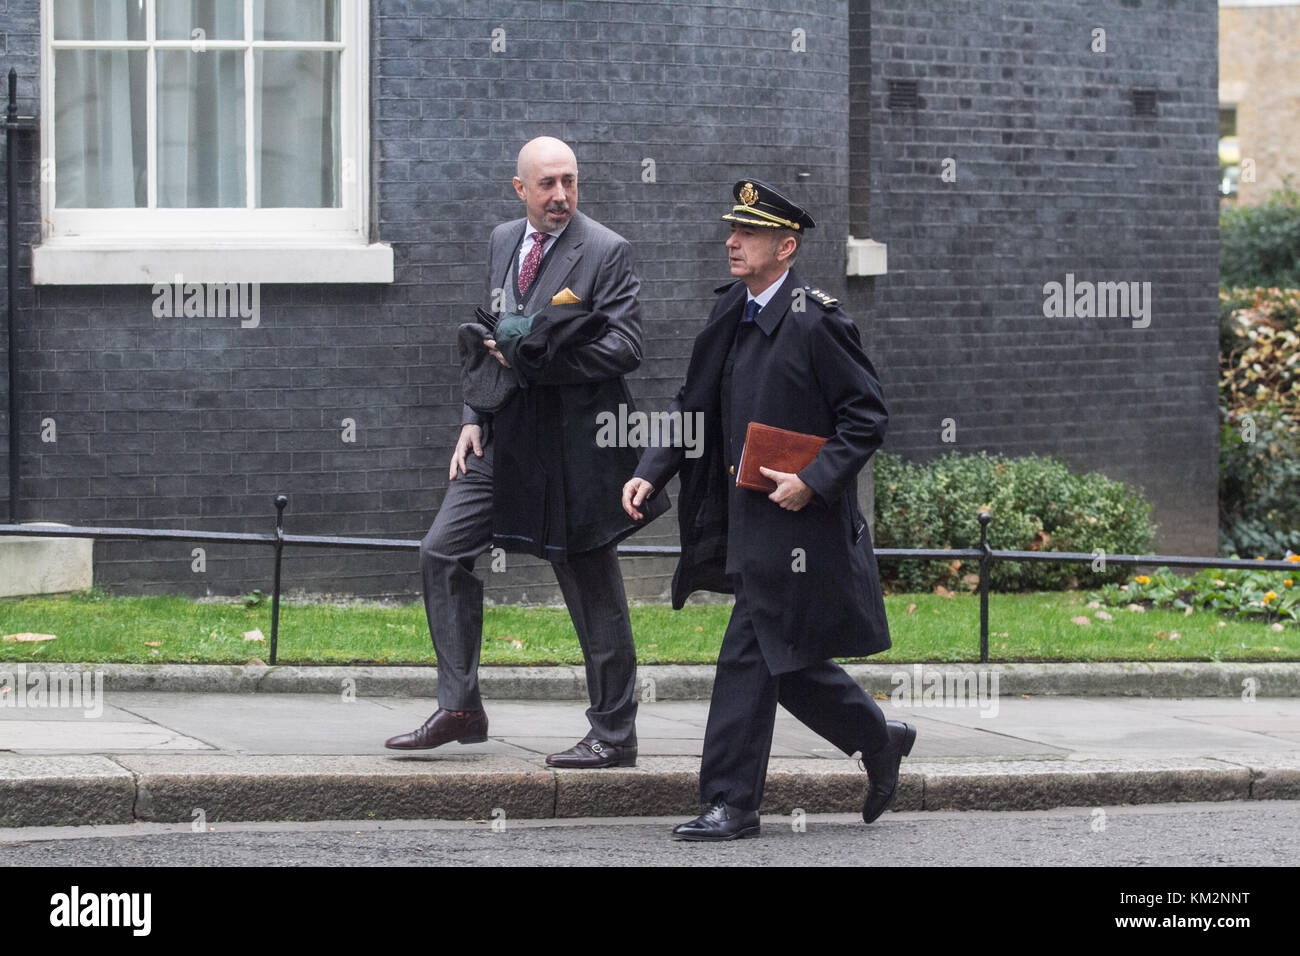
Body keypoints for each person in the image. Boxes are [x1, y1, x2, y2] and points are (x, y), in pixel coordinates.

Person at [623, 179, 916, 840]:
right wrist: (650, 470)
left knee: (747, 659)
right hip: (741, 517)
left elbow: (866, 416)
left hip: (796, 527)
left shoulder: (817, 322)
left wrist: (814, 479)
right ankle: (880, 737)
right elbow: (691, 406)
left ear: (785, 247)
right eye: (733, 230)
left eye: (749, 233)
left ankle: (732, 803)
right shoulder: (731, 311)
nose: (732, 241)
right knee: (787, 661)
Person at [386, 136, 665, 768]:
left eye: (570, 181)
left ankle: (614, 734)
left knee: (590, 586)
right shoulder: (502, 239)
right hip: (503, 436)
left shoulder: (606, 250)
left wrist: (537, 354)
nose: (561, 195)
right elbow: (492, 333)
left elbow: (626, 347)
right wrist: (473, 414)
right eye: (547, 184)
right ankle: (460, 708)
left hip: (573, 447)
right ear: (521, 189)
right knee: (442, 550)